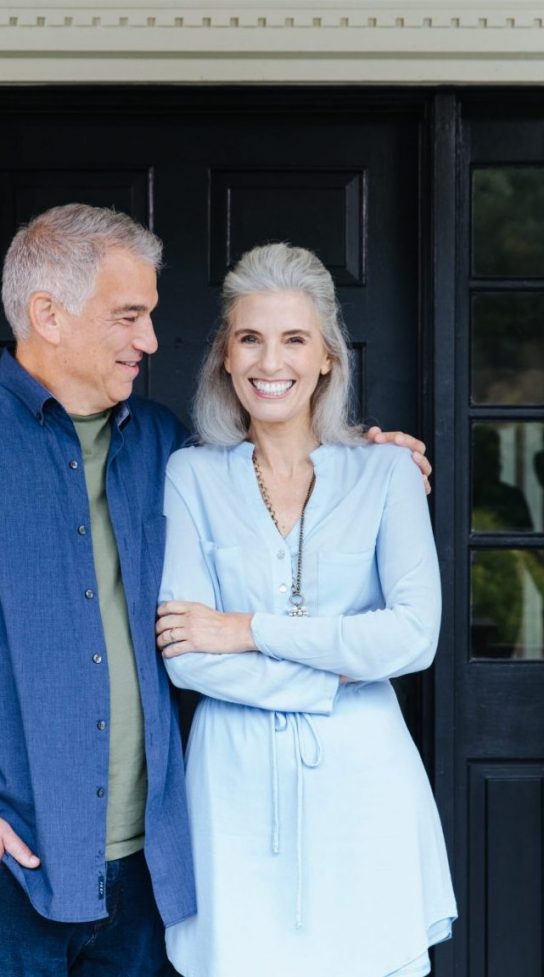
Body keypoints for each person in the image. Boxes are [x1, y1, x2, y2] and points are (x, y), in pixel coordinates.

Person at [0, 204, 432, 977]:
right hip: (5, 861)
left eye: (149, 316)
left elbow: (274, 459)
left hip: (146, 871)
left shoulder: (158, 443)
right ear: (48, 315)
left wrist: (375, 456)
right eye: (130, 316)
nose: (151, 340)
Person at [156, 243, 457, 977]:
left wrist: (247, 630)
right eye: (250, 337)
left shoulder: (386, 470)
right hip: (231, 789)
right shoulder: (190, 475)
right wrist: (338, 673)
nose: (271, 361)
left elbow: (413, 637)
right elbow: (189, 655)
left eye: (294, 338)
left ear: (327, 356)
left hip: (365, 785)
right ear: (225, 356)